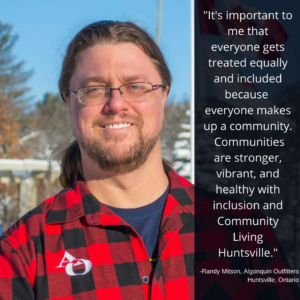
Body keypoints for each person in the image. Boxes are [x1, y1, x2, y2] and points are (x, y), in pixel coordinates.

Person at [0, 21, 299, 300]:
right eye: (93, 89)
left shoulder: (244, 231)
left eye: (136, 86)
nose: (116, 104)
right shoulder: (23, 253)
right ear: (69, 102)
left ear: (164, 94)